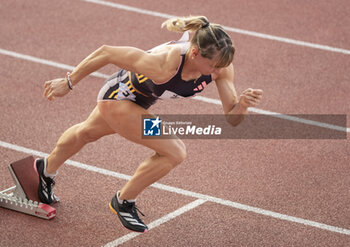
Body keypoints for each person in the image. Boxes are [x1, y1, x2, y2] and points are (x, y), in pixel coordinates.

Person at [34, 16, 263, 233]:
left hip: (138, 104)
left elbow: (232, 118)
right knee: (174, 151)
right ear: (194, 53)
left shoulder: (221, 67)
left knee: (86, 132)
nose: (218, 71)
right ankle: (124, 200)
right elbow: (106, 52)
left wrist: (242, 105)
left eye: (222, 65)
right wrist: (69, 82)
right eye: (214, 66)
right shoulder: (165, 63)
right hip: (117, 99)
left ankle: (46, 168)